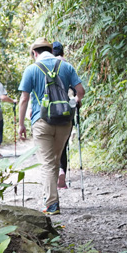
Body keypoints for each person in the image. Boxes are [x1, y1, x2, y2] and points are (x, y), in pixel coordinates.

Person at [17, 37, 85, 215]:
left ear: (34, 53)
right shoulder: (66, 66)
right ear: (50, 49)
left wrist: (21, 124)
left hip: (41, 121)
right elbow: (81, 92)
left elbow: (24, 99)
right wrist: (74, 102)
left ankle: (52, 203)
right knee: (54, 160)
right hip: (64, 121)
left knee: (47, 163)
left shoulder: (32, 69)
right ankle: (51, 197)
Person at [53, 41, 72, 190]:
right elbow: (79, 90)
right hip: (66, 112)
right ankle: (62, 172)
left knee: (49, 147)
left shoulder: (44, 67)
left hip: (48, 113)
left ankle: (53, 175)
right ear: (63, 53)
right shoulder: (67, 66)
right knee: (63, 145)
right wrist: (77, 102)